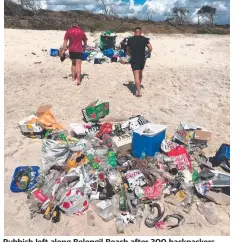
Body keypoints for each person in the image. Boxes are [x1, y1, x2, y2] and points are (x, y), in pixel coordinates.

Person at [127, 27, 152, 97]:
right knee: (140, 73)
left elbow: (127, 50)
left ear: (134, 32)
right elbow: (150, 48)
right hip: (142, 59)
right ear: (140, 32)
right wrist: (146, 54)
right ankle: (139, 86)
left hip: (134, 59)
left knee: (136, 76)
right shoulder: (144, 39)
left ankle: (139, 92)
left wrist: (131, 55)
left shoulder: (130, 39)